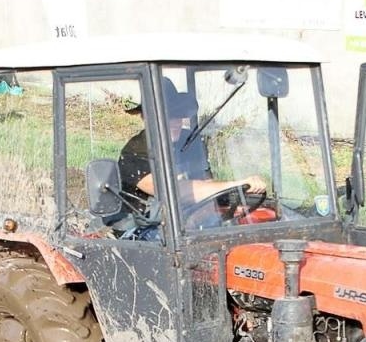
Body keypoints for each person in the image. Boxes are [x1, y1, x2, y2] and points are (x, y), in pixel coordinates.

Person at [113, 79, 265, 237]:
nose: (176, 121)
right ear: (146, 117)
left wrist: (233, 204)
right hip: (147, 230)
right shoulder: (135, 153)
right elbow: (175, 191)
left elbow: (207, 188)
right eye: (168, 115)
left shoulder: (190, 142)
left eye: (178, 114)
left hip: (187, 224)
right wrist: (237, 184)